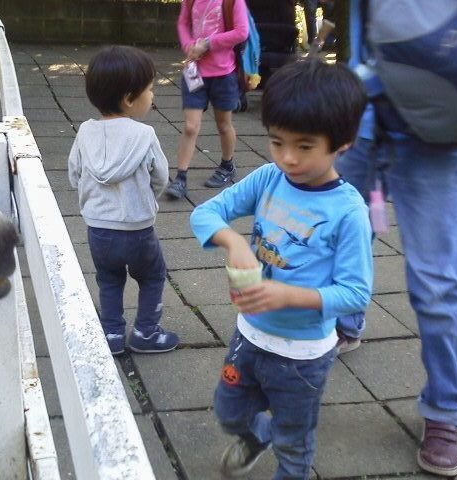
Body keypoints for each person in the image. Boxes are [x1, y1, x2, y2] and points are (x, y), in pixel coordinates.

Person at [190, 59, 371, 479]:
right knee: (228, 412)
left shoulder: (348, 212)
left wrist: (289, 295)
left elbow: (355, 294)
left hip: (303, 357)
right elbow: (205, 213)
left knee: (294, 442)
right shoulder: (269, 178)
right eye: (277, 142)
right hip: (249, 335)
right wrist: (233, 240)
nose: (288, 157)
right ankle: (256, 436)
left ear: (342, 142)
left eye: (304, 146)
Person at [68, 46, 180, 356]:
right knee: (153, 275)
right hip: (138, 229)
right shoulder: (144, 135)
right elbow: (160, 176)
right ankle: (146, 331)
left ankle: (112, 335)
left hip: (99, 230)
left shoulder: (85, 133)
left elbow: (74, 174)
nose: (153, 95)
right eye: (150, 89)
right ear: (130, 98)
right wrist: (145, 198)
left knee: (109, 279)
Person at [165, 0, 250, 199]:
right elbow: (183, 24)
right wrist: (189, 46)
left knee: (223, 125)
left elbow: (241, 31)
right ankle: (181, 178)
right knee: (190, 127)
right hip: (195, 72)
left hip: (223, 74)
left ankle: (227, 165)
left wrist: (209, 43)